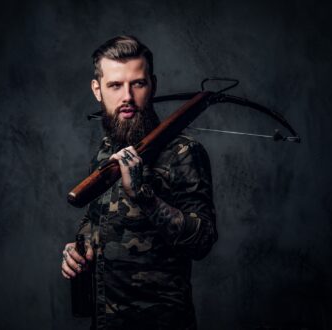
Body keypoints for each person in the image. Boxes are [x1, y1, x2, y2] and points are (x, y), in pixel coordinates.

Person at [61, 35, 218, 330]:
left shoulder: (184, 152)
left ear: (153, 85)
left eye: (138, 83)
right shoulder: (106, 150)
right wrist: (78, 246)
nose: (127, 97)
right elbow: (96, 215)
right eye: (115, 85)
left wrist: (144, 196)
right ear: (97, 90)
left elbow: (203, 240)